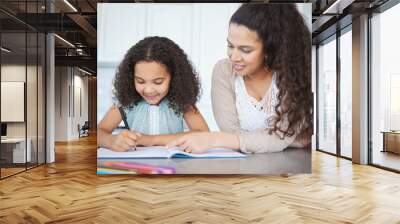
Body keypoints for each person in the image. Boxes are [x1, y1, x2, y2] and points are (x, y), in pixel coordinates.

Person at [169, 4, 313, 154]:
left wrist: (215, 139)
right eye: (230, 46)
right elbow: (232, 134)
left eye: (245, 50)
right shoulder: (223, 71)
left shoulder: (296, 75)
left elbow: (282, 136)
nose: (234, 57)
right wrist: (287, 141)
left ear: (273, 49)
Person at [98, 36, 209, 152]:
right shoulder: (126, 102)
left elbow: (204, 134)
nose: (149, 90)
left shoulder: (181, 102)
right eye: (140, 81)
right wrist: (111, 141)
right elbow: (99, 132)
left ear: (175, 78)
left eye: (158, 82)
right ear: (131, 78)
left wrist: (151, 140)